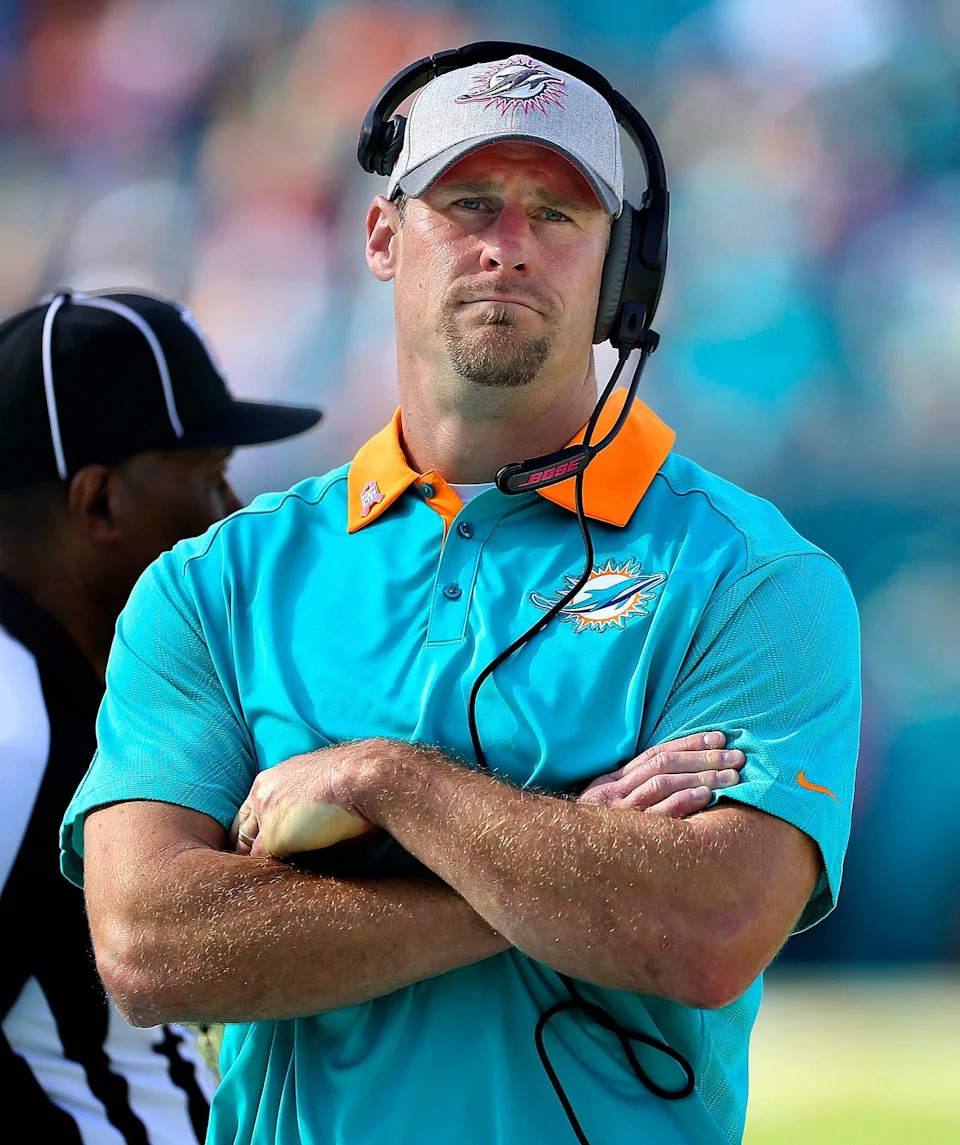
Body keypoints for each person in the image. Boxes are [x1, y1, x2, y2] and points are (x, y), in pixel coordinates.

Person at [61, 48, 860, 1145]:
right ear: (385, 237)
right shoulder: (214, 583)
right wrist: (567, 862)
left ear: (620, 273)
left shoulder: (757, 578)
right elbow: (152, 945)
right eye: (470, 201)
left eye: (559, 212)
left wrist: (393, 787)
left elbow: (709, 926)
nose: (508, 246)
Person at [0, 289, 320, 1142]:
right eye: (207, 475)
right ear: (98, 503)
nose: (233, 510)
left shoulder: (59, 688)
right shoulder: (14, 719)